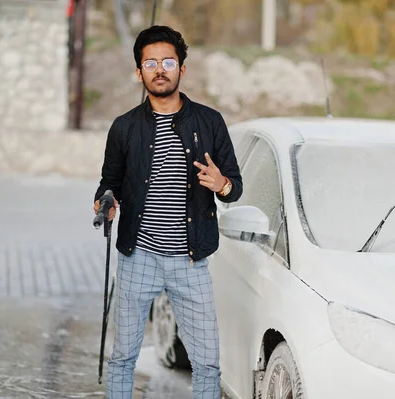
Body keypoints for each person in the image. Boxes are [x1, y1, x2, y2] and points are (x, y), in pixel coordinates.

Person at [92, 25, 243, 399]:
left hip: (191, 263)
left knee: (207, 363)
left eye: (169, 62)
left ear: (182, 69)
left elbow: (234, 187)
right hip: (137, 257)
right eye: (151, 63)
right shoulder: (124, 127)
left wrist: (221, 184)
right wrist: (105, 202)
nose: (160, 69)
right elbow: (108, 182)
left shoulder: (210, 122)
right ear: (139, 71)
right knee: (123, 357)